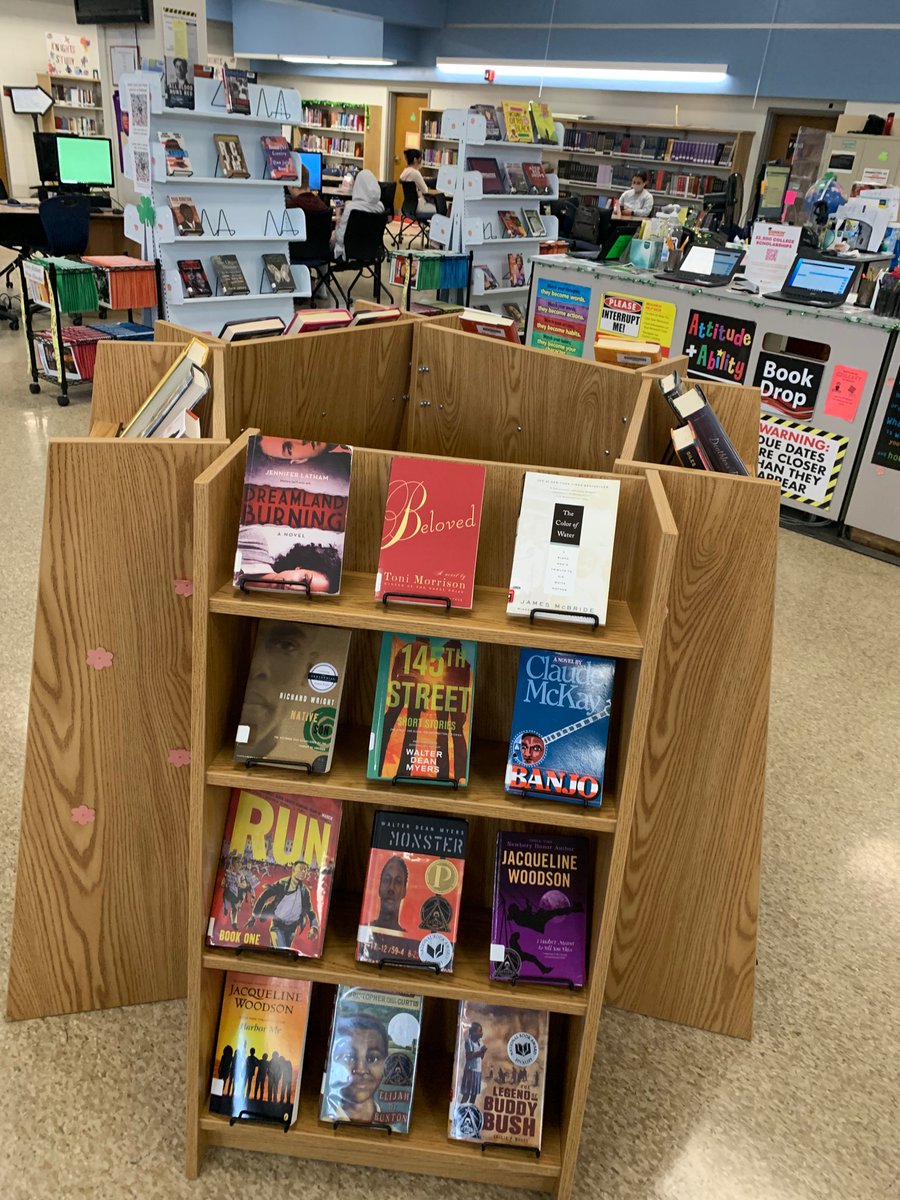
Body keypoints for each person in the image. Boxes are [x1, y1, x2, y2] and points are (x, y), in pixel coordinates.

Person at [327, 1013, 389, 1123]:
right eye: (348, 1057)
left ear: (386, 1063)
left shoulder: (393, 1128)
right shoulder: (325, 1117)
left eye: (372, 1058)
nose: (360, 1069)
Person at [331, 169, 383, 260]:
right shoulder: (380, 207)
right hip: (371, 252)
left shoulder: (351, 209)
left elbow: (340, 238)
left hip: (348, 253)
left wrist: (338, 217)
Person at [372, 855, 408, 931]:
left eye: (398, 882)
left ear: (404, 891)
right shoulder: (366, 930)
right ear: (379, 888)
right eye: (387, 880)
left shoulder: (408, 939)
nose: (391, 888)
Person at [400, 148, 436, 216]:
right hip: (418, 207)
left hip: (407, 207)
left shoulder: (404, 172)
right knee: (440, 208)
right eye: (421, 159)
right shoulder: (415, 173)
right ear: (415, 159)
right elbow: (425, 190)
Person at [460, 1022, 486, 1104]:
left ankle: (470, 1110)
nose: (481, 1033)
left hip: (477, 1071)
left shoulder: (479, 1042)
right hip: (470, 1071)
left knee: (474, 1095)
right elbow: (469, 1056)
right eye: (480, 1031)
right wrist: (480, 1051)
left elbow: (481, 1057)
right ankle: (461, 1109)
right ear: (474, 1032)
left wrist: (483, 1052)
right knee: (467, 1094)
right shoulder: (469, 1042)